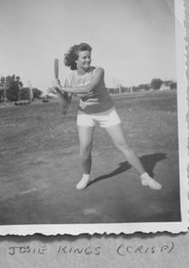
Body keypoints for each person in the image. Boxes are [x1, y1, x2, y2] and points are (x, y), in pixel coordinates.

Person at [52, 42, 162, 192]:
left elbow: (88, 88)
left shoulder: (98, 71)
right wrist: (58, 91)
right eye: (84, 57)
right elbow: (65, 106)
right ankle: (86, 176)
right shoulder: (71, 77)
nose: (88, 60)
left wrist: (62, 87)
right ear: (75, 60)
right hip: (85, 113)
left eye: (89, 57)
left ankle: (145, 178)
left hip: (106, 112)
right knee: (85, 147)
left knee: (123, 145)